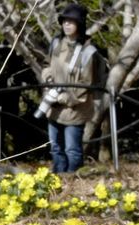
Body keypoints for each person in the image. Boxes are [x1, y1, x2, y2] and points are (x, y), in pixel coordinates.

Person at [40, 4, 96, 174]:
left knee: (72, 149)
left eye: (71, 22)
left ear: (80, 24)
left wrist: (67, 97)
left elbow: (87, 83)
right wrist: (48, 77)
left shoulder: (88, 51)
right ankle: (58, 177)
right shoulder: (56, 42)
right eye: (65, 21)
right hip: (53, 104)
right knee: (55, 147)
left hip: (75, 108)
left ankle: (73, 180)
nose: (67, 25)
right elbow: (46, 64)